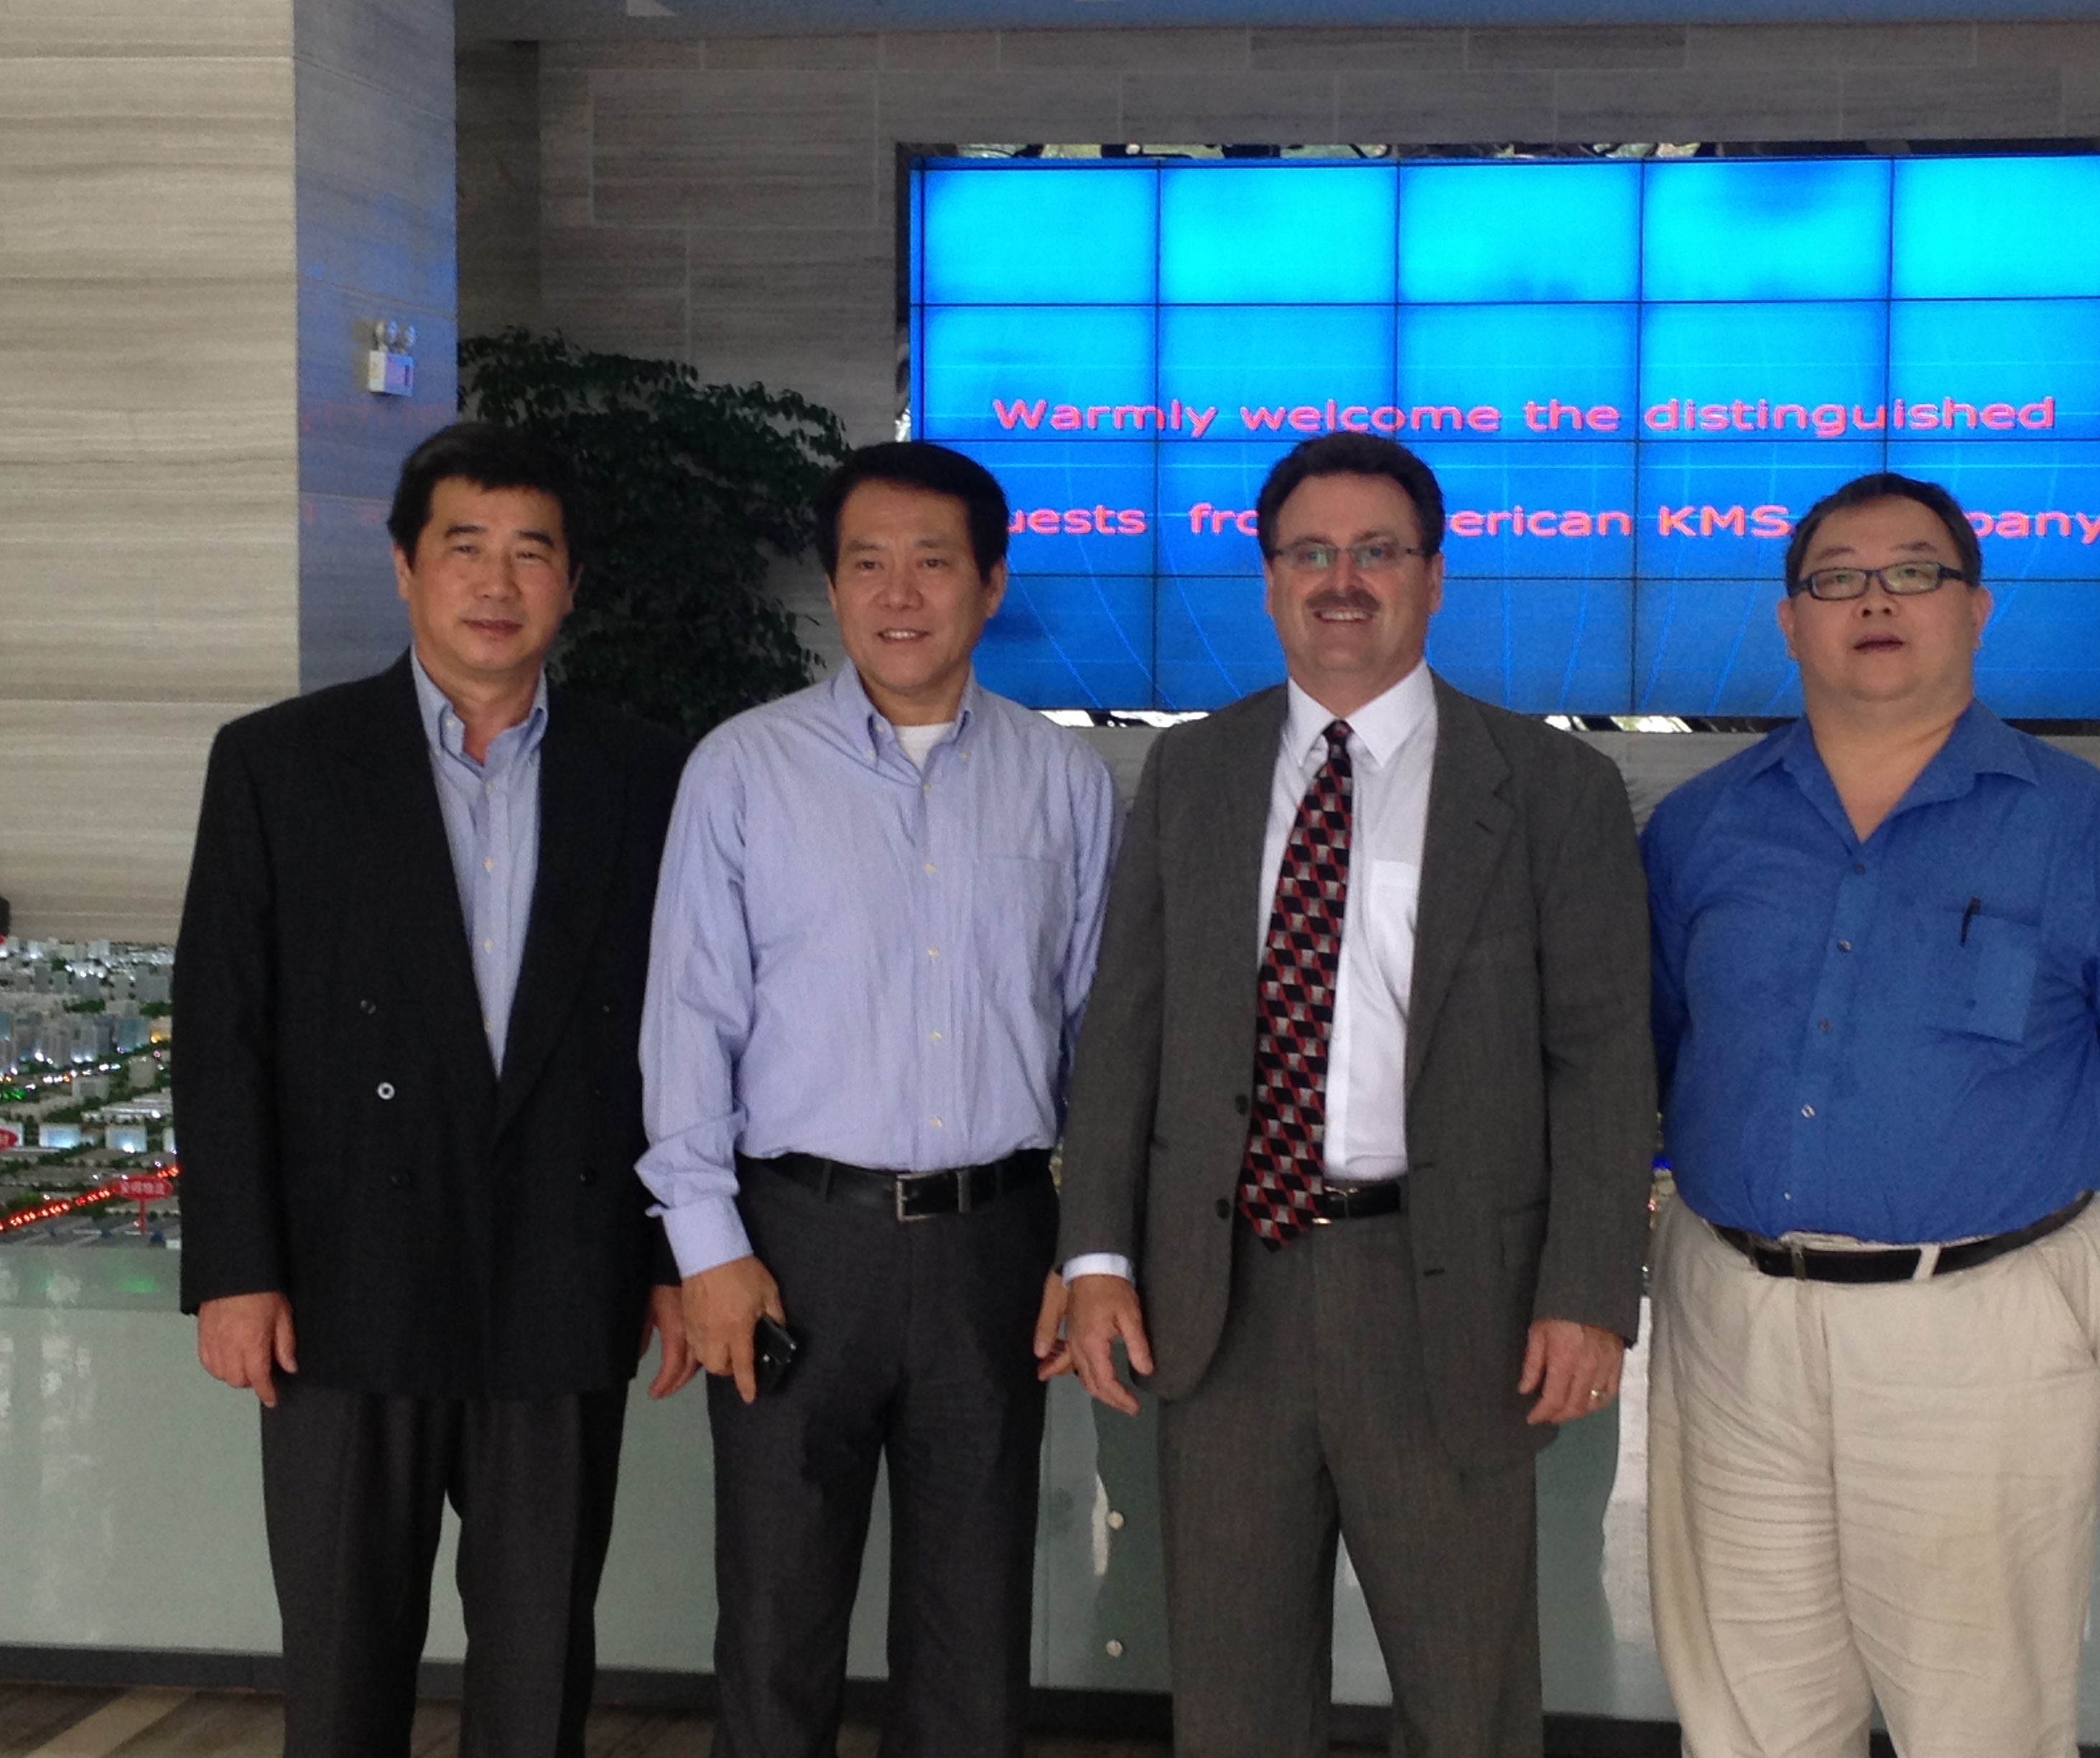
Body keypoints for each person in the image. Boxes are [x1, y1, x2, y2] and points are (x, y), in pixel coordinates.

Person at [1054, 431, 1656, 1757]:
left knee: (1467, 1697)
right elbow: (1126, 1036)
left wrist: (1586, 1289)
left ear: (1434, 577)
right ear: (1270, 580)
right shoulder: (1192, 774)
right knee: (1234, 1702)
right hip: (1224, 1294)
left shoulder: (1551, 787)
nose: (1343, 580)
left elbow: (1605, 1060)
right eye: (1311, 553)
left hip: (1453, 1301)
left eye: (1377, 551)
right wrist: (1095, 1255)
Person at [1640, 472, 2100, 1758]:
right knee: (1746, 1722)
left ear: (1975, 608)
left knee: (1983, 1722)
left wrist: (1992, 1153)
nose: (1876, 600)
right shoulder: (1698, 831)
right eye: (1837, 578)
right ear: (1790, 620)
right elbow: (1664, 1037)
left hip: (1981, 1322)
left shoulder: (2090, 835)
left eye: (1914, 571)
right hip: (1732, 1320)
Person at [176, 421, 695, 1757]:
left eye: (532, 552)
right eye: (465, 546)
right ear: (405, 564)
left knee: (539, 1671)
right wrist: (236, 1268)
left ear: (571, 582)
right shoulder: (280, 764)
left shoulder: (649, 775)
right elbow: (221, 1032)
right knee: (341, 1666)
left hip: (562, 1273)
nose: (496, 582)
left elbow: (687, 1037)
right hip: (342, 1286)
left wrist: (675, 1257)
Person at [637, 440, 1118, 1758]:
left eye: (933, 563)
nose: (900, 594)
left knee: (975, 1634)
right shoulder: (743, 769)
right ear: (835, 586)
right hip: (795, 1247)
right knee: (776, 1625)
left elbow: (1100, 1034)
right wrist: (707, 1251)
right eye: (868, 564)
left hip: (994, 1246)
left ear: (991, 584)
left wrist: (1086, 1250)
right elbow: (687, 1021)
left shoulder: (1064, 779)